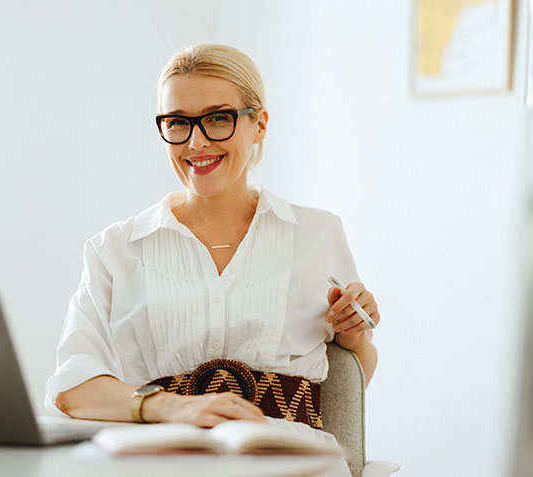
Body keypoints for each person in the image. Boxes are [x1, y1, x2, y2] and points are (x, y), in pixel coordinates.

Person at [45, 44, 379, 442]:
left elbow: (353, 374)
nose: (196, 143)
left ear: (260, 124)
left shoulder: (318, 234)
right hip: (165, 458)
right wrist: (172, 406)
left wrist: (354, 333)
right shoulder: (114, 250)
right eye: (178, 122)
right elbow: (71, 388)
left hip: (284, 458)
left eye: (218, 118)